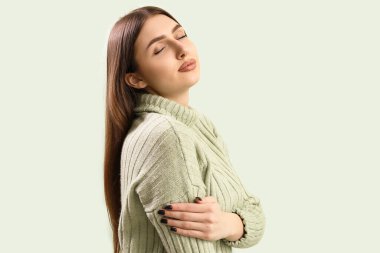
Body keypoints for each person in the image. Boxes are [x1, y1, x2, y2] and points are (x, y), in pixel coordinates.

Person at [103, 6, 265, 253]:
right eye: (159, 49)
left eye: (180, 35)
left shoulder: (196, 125)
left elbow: (253, 211)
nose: (181, 50)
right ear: (136, 79)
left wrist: (228, 223)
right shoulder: (165, 136)